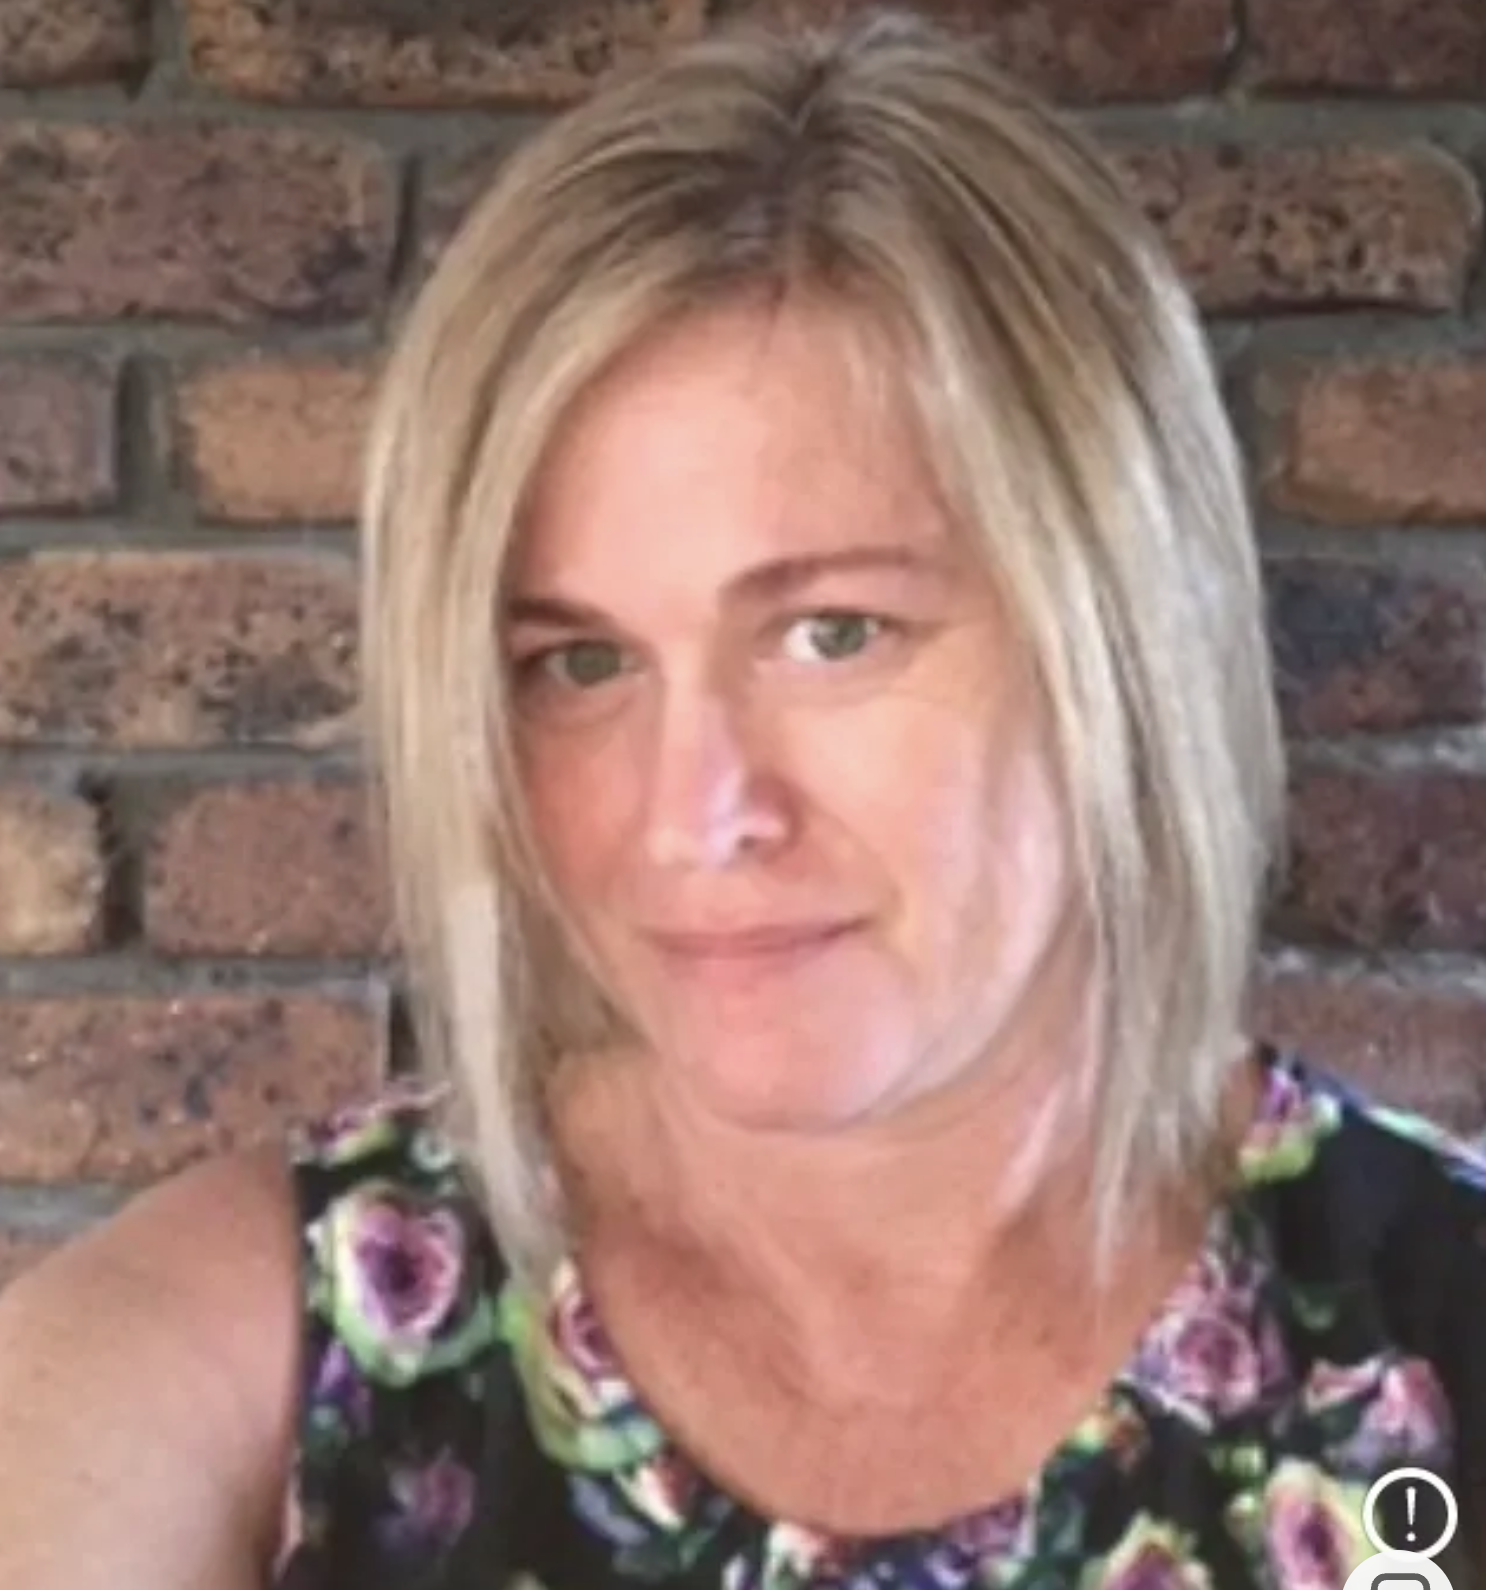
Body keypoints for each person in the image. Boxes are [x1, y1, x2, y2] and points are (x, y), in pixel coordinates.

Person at [1, 11, 1483, 1589]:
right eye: (580, 662)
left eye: (831, 633)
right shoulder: (221, 1372)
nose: (692, 816)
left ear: (1122, 637)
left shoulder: (1431, 1340)